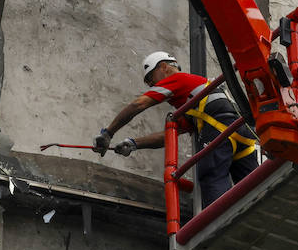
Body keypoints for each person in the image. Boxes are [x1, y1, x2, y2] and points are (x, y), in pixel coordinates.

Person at [93, 51, 258, 203]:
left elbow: (138, 104)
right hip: (241, 134)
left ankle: (222, 224)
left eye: (151, 79)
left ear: (164, 67)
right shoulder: (192, 100)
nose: (152, 85)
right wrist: (134, 143)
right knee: (253, 186)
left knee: (211, 175)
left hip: (219, 131)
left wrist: (108, 133)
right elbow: (170, 135)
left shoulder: (178, 80)